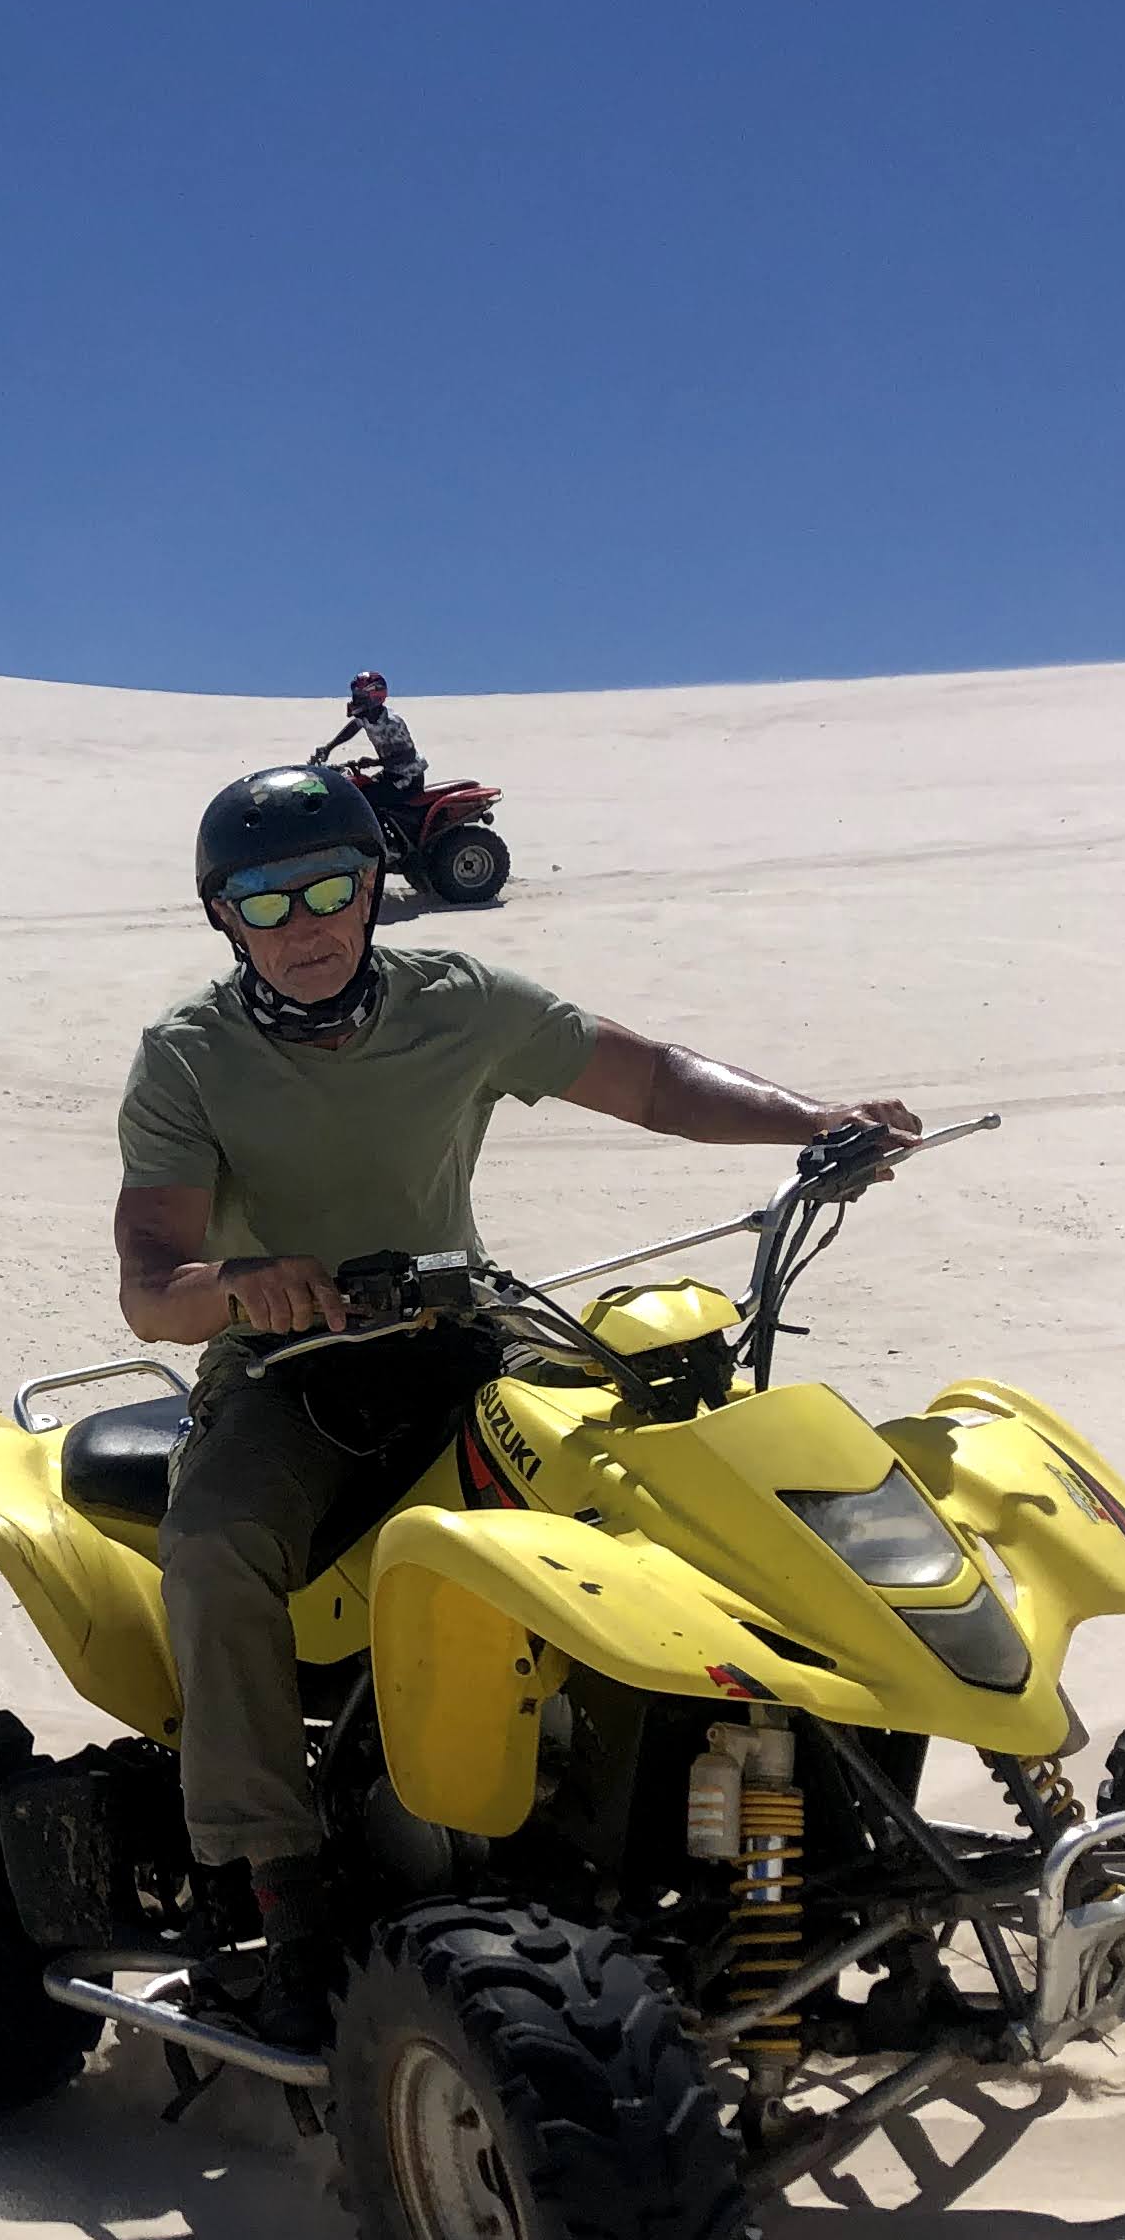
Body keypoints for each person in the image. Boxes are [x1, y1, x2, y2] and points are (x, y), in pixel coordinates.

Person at [111, 765, 920, 2043]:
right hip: (285, 1378)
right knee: (214, 1552)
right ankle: (281, 1885)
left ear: (377, 887)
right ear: (224, 915)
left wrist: (814, 1126)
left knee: (672, 1463)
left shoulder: (464, 1004)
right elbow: (151, 1288)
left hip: (467, 1338)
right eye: (269, 900)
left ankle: (772, 1796)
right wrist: (245, 1285)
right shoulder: (190, 1058)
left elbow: (652, 1081)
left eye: (332, 885)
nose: (308, 922)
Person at [306, 670, 428, 831]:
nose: (356, 700)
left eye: (360, 696)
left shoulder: (392, 723)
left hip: (408, 779)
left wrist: (374, 762)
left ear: (375, 697)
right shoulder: (367, 716)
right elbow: (352, 728)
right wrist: (329, 747)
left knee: (364, 801)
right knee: (357, 788)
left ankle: (382, 843)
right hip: (391, 774)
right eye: (355, 696)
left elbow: (407, 756)